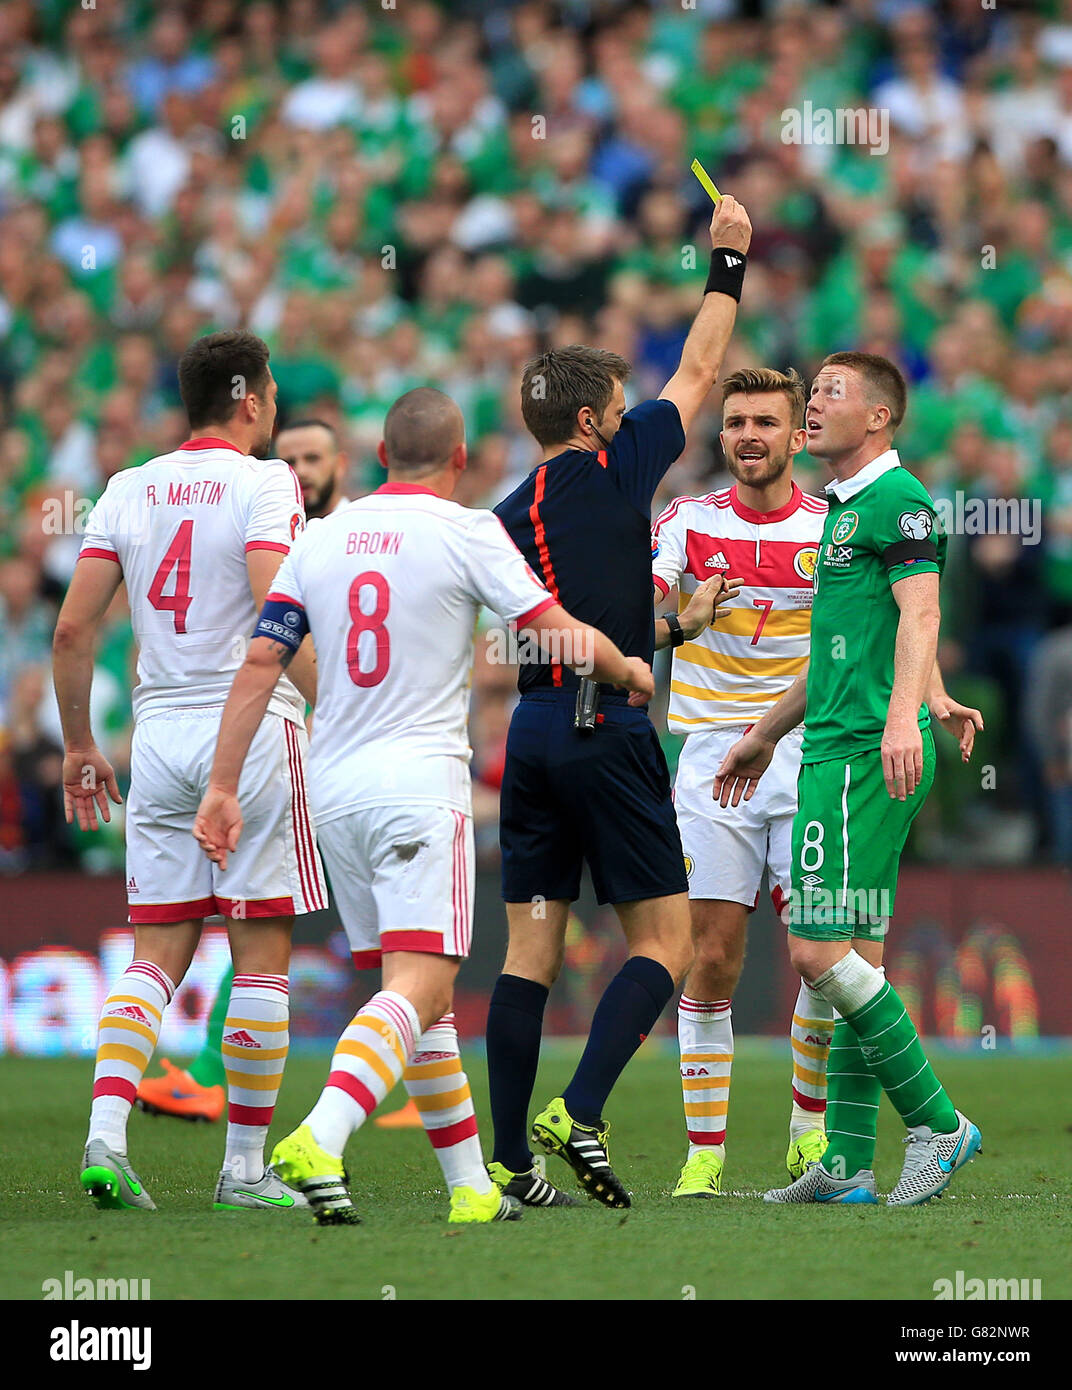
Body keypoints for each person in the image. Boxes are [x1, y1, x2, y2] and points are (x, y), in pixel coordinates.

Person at [192, 387, 655, 1225]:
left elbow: (262, 663)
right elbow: (552, 628)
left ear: (376, 458)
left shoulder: (319, 538)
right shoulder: (466, 529)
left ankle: (470, 1185)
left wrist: (221, 786)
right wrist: (625, 668)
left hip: (333, 792)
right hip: (418, 787)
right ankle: (322, 1134)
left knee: (416, 995)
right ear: (461, 460)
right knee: (421, 985)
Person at [484, 194, 753, 1209]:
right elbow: (702, 368)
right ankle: (579, 1111)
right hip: (612, 727)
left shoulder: (506, 517)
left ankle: (508, 1163)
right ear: (595, 420)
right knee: (667, 944)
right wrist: (726, 262)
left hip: (537, 732)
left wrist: (671, 629)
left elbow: (547, 625)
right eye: (618, 397)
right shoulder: (617, 465)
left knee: (530, 951)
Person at [53, 329, 325, 1214]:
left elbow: (70, 631)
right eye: (274, 390)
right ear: (248, 398)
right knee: (260, 963)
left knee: (155, 957)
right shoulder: (266, 482)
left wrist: (79, 745)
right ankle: (243, 1172)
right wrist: (345, 711)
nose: (277, 403)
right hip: (244, 733)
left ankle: (104, 1139)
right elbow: (273, 607)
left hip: (155, 734)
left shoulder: (129, 487)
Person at [716, 352, 985, 1206]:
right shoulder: (845, 511)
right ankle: (850, 1161)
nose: (811, 407)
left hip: (861, 756)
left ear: (878, 418)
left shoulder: (898, 502)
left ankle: (940, 1125)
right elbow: (841, 650)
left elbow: (923, 611)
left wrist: (904, 714)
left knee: (814, 951)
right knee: (856, 956)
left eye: (830, 393)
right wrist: (765, 733)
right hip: (838, 742)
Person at [134, 416, 352, 1125]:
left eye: (313, 457)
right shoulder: (263, 524)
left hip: (347, 743)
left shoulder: (356, 536)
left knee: (367, 912)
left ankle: (418, 1069)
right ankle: (208, 1069)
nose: (301, 470)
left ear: (339, 464)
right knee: (264, 911)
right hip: (283, 744)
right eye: (289, 458)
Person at [650, 366, 835, 1198]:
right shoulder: (686, 523)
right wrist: (675, 620)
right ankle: (706, 1153)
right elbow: (641, 607)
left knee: (820, 959)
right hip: (709, 760)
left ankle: (807, 1130)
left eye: (766, 421)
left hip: (808, 754)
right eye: (735, 423)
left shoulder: (834, 529)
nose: (748, 435)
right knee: (714, 957)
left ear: (799, 437)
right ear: (719, 437)